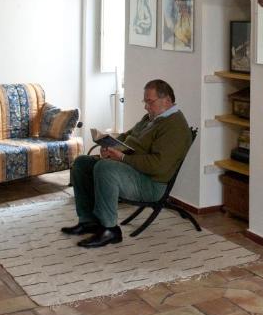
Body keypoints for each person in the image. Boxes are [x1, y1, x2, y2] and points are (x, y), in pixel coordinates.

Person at [62, 79, 192, 248]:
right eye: (145, 101)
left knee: (105, 167)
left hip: (150, 184)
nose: (146, 107)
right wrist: (109, 146)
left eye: (149, 102)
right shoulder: (152, 117)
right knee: (81, 163)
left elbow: (158, 166)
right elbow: (128, 135)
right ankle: (88, 221)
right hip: (133, 170)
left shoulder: (175, 127)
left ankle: (110, 230)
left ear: (166, 101)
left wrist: (122, 158)